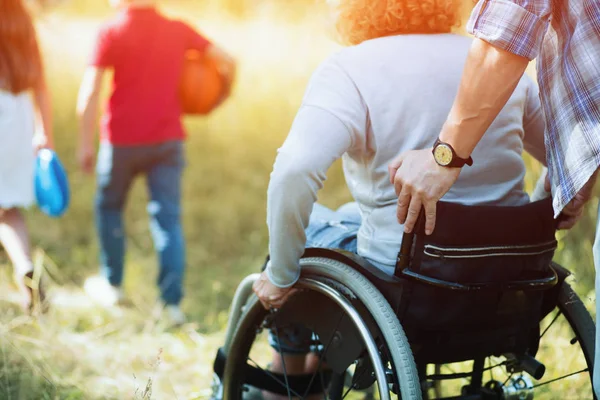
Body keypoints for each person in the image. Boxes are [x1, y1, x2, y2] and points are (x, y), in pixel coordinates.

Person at [251, 0, 549, 396]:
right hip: (508, 277)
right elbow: (566, 156)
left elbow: (294, 171)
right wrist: (546, 201)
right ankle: (317, 367)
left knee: (298, 242)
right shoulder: (492, 65)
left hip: (401, 282)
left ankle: (288, 380)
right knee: (343, 216)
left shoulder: (351, 69)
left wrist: (282, 275)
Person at [387, 0, 600, 394]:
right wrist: (575, 174)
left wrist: (445, 156)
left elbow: (505, 34)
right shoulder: (521, 87)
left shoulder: (350, 67)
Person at [76, 0, 234, 325]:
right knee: (167, 219)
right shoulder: (178, 30)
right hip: (167, 140)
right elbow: (229, 60)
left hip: (120, 140)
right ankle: (171, 305)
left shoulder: (111, 30)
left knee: (109, 207)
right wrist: (217, 97)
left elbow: (90, 90)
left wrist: (83, 143)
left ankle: (112, 284)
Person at [0, 0, 53, 313]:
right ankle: (25, 267)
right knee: (8, 209)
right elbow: (41, 84)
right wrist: (45, 134)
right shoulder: (21, 19)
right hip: (18, 117)